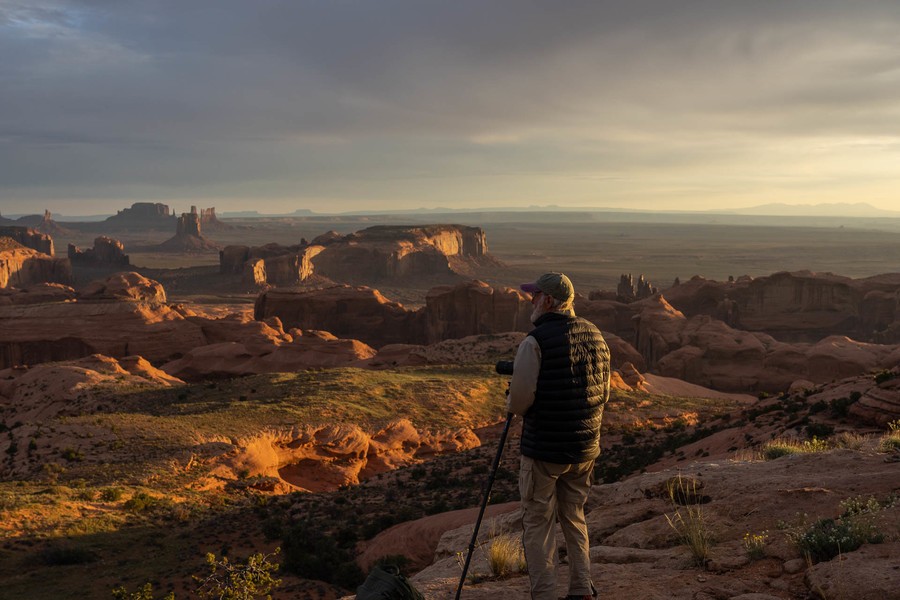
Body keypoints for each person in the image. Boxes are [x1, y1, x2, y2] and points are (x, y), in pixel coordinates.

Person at [507, 272, 611, 600]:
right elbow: (603, 393)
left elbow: (520, 403)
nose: (530, 301)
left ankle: (545, 594)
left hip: (544, 451)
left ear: (548, 301)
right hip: (583, 448)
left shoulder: (534, 342)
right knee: (574, 517)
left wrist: (512, 396)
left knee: (538, 523)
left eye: (534, 296)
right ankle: (581, 590)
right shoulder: (596, 335)